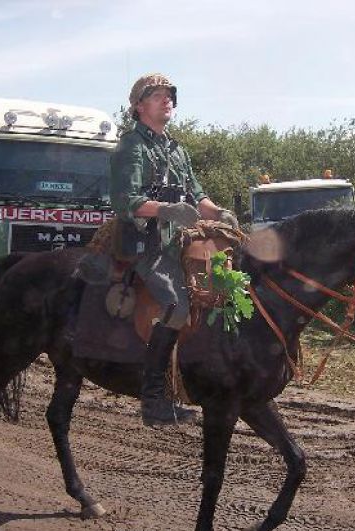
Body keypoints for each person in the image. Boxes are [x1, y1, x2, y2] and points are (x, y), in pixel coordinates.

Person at [109, 73, 238, 426]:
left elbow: (197, 196)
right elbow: (125, 200)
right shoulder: (131, 146)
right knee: (176, 305)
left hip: (180, 240)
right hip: (146, 244)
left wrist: (219, 213)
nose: (167, 100)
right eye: (157, 95)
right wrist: (165, 210)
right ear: (139, 106)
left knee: (222, 288)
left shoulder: (177, 149)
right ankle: (153, 399)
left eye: (169, 95)